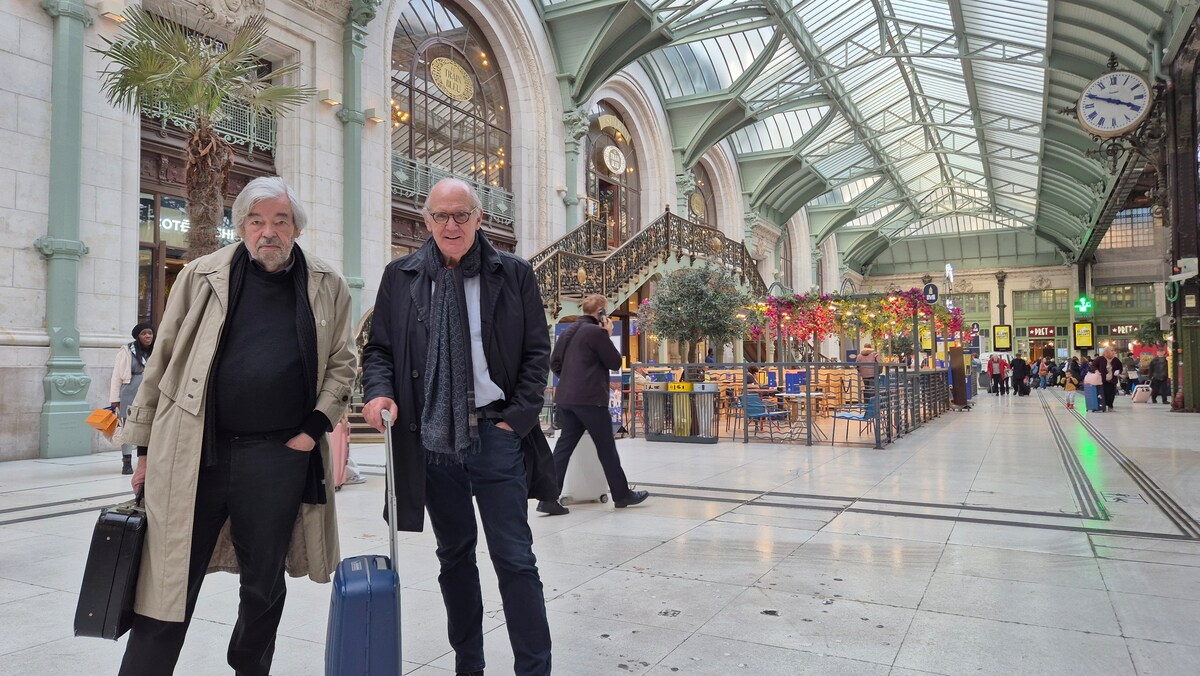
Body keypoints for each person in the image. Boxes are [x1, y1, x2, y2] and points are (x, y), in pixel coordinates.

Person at [116, 177, 356, 675]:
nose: (268, 232)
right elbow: (162, 361)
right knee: (168, 577)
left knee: (264, 583)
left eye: (280, 221)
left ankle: (249, 667)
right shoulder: (202, 275)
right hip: (196, 451)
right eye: (256, 221)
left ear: (296, 229)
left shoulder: (326, 284)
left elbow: (342, 363)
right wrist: (143, 452)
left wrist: (312, 429)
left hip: (277, 456)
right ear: (242, 227)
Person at [360, 178, 556, 676]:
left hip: (496, 435)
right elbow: (379, 349)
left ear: (479, 218)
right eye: (441, 216)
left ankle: (534, 669)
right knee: (454, 557)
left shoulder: (513, 273)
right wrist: (378, 392)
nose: (451, 225)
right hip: (433, 440)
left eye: (461, 215)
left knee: (515, 558)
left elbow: (537, 352)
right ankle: (469, 665)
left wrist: (516, 420)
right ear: (426, 220)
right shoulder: (401, 276)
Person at [538, 294, 649, 518]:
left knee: (563, 447)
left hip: (567, 398)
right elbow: (614, 362)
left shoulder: (568, 330)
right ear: (601, 312)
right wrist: (607, 334)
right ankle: (622, 495)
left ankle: (548, 499)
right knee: (606, 447)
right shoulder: (597, 333)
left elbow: (554, 363)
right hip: (590, 400)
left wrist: (570, 380)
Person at [109, 322, 154, 475]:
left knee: (150, 425)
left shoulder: (157, 350)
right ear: (137, 336)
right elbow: (116, 375)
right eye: (144, 333)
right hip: (130, 391)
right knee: (127, 426)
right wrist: (115, 398)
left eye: (150, 333)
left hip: (150, 392)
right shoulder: (127, 350)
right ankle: (126, 462)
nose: (148, 336)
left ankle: (147, 460)